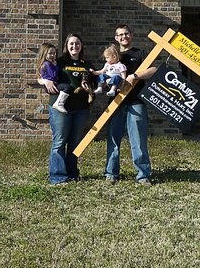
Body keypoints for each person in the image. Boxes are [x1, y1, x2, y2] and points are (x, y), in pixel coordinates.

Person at [39, 34, 93, 185]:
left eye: (77, 43)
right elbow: (41, 72)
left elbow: (95, 81)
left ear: (81, 46)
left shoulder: (87, 64)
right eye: (71, 44)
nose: (74, 46)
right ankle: (57, 176)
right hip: (60, 108)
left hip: (81, 109)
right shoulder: (59, 61)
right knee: (60, 141)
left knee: (75, 143)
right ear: (66, 46)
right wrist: (46, 81)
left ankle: (72, 174)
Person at [105, 24, 155, 185]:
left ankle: (143, 175)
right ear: (116, 38)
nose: (123, 37)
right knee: (113, 138)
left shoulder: (139, 53)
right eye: (120, 35)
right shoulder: (113, 55)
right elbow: (104, 72)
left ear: (131, 35)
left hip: (136, 102)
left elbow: (154, 69)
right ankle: (111, 173)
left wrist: (135, 75)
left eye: (126, 34)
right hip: (116, 102)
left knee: (138, 139)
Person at [36, 43, 71, 113]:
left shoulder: (48, 63)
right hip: (51, 86)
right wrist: (55, 66)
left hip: (52, 85)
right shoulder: (47, 64)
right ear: (44, 54)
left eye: (54, 53)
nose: (53, 55)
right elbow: (53, 75)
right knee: (67, 87)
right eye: (50, 53)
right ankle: (59, 104)